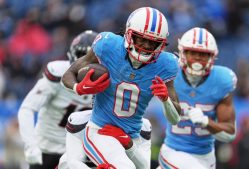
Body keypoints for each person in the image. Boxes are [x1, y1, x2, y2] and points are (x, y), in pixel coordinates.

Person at [61, 7, 181, 169]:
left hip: (133, 136)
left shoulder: (167, 65)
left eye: (152, 42)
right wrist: (78, 87)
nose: (146, 46)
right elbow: (69, 74)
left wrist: (166, 100)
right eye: (141, 39)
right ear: (129, 34)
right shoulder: (108, 45)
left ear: (160, 45)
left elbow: (175, 119)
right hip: (100, 130)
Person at [158, 27, 237, 169]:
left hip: (206, 157)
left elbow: (230, 132)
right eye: (192, 53)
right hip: (173, 151)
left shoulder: (222, 80)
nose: (197, 58)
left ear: (212, 57)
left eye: (203, 54)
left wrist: (206, 122)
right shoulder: (171, 71)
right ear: (182, 52)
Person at [17, 30, 97, 169]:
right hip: (47, 149)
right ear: (71, 56)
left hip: (80, 152)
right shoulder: (58, 74)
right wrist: (31, 145)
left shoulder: (108, 80)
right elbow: (27, 108)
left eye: (92, 58)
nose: (85, 64)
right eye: (81, 56)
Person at [57, 110, 152, 169]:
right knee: (64, 162)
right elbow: (72, 161)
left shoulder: (144, 127)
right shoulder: (79, 121)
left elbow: (144, 167)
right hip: (87, 165)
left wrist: (129, 145)